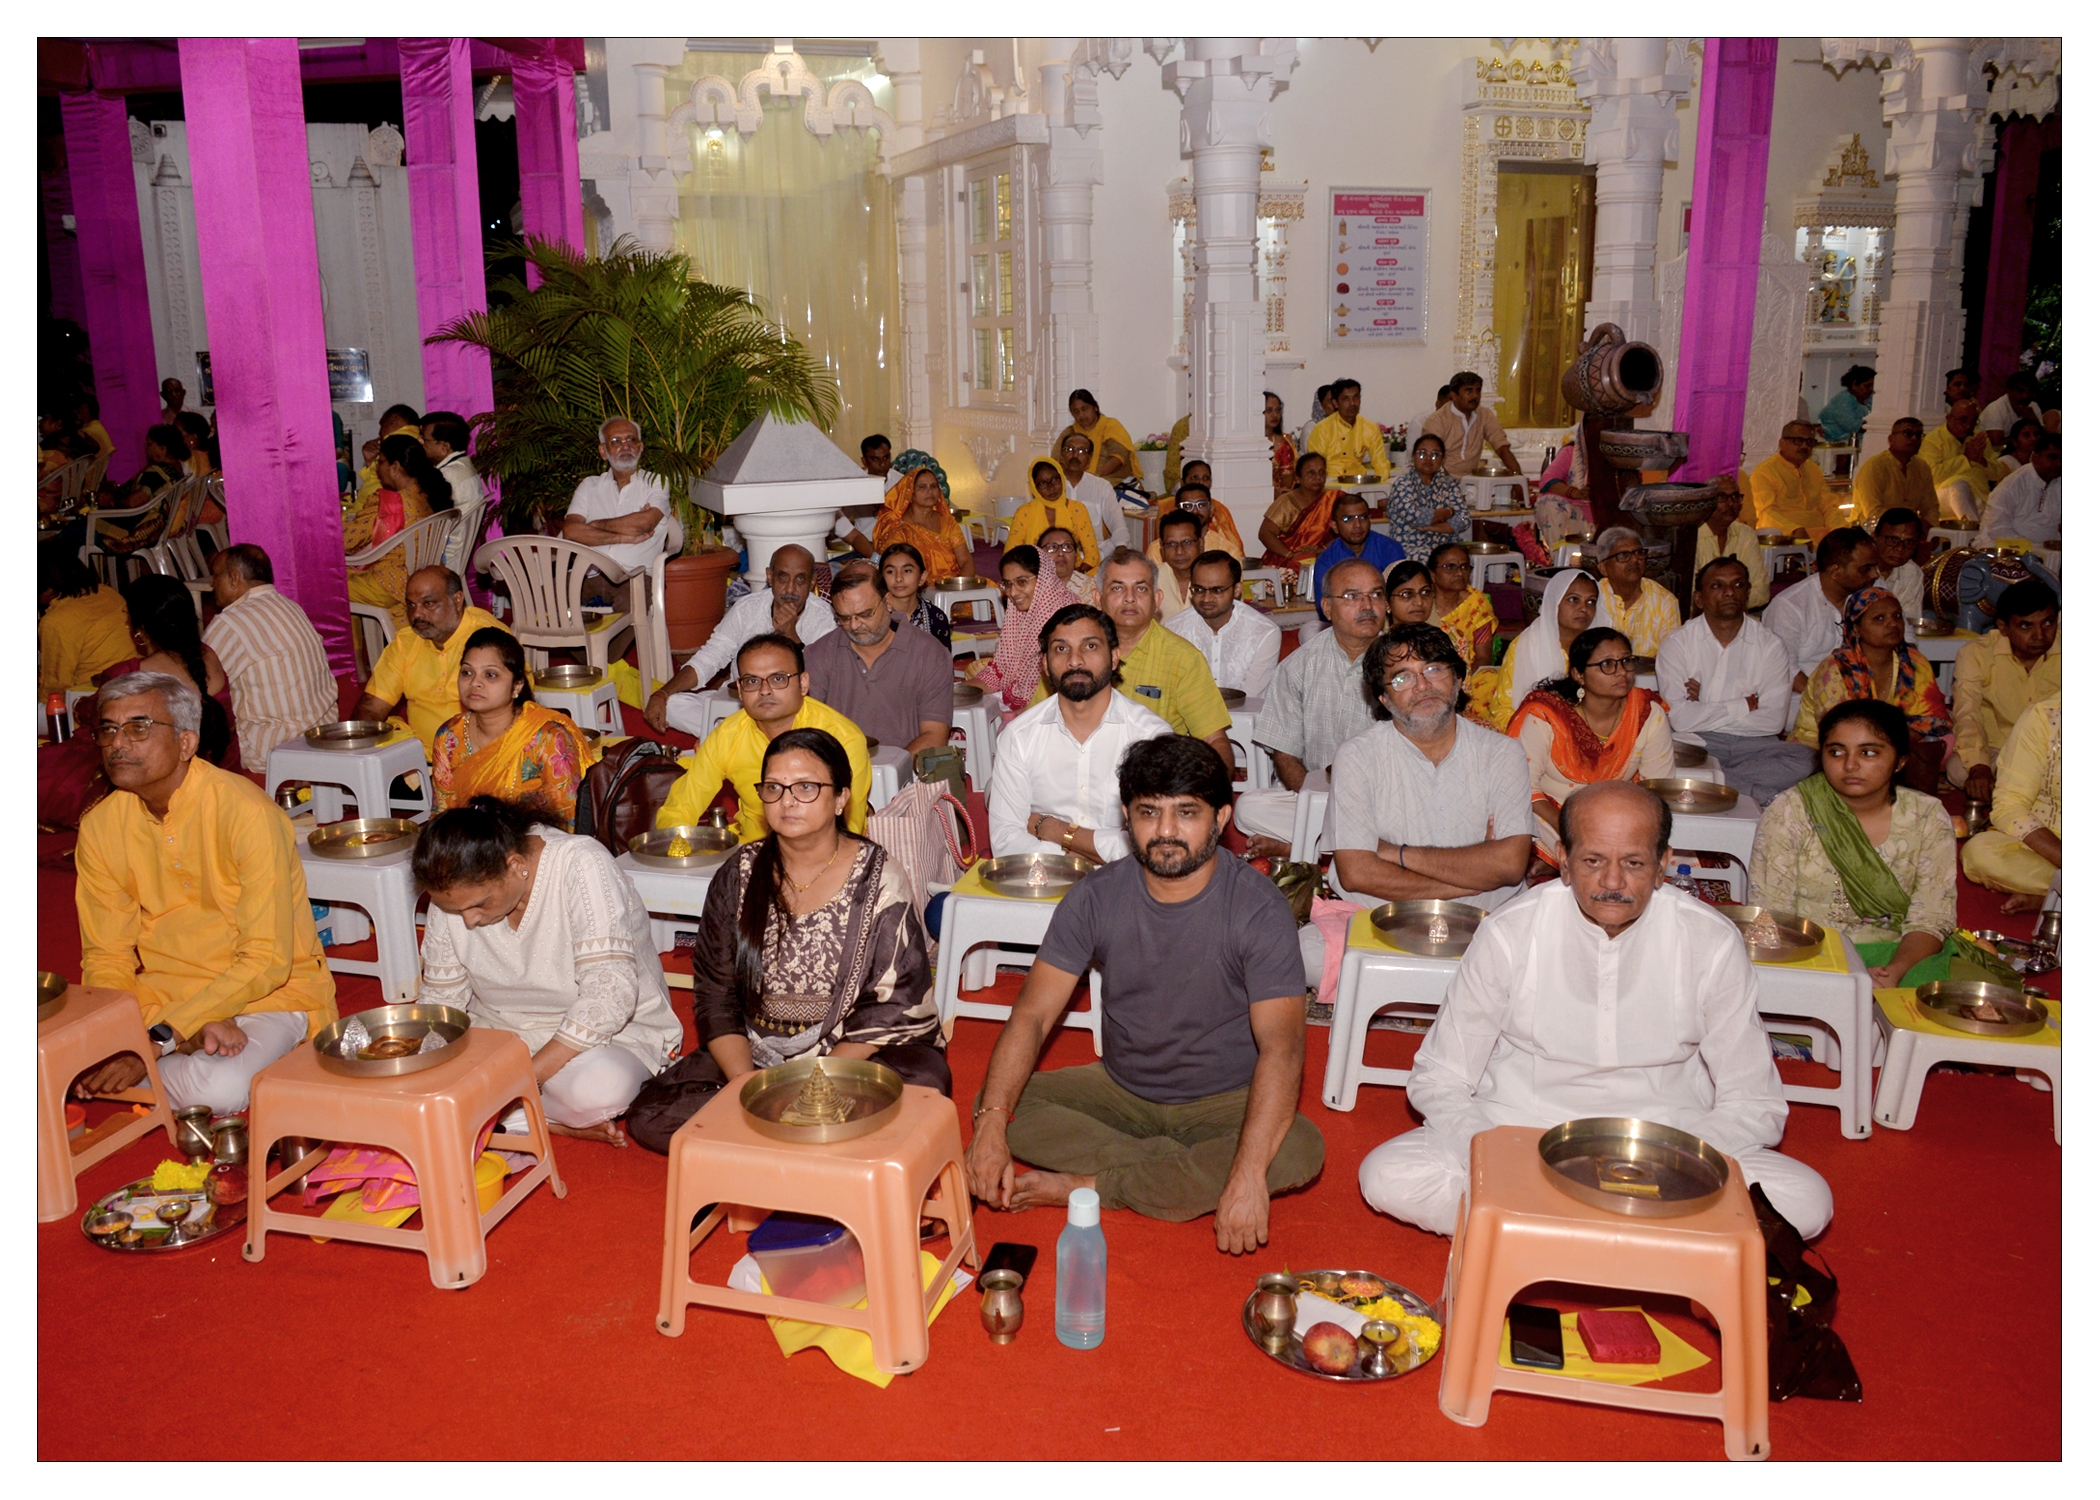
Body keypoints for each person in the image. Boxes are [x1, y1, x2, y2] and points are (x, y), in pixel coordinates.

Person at [1360, 781, 1832, 1240]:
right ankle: (1640, 1242)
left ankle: (1535, 1234)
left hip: (1667, 1137)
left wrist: (1675, 1163)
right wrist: (1500, 1157)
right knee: (1389, 1175)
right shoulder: (1512, 930)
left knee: (1804, 1201)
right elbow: (1440, 1078)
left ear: (1664, 865)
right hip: (1521, 1128)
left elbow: (1753, 1103)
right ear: (1564, 861)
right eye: (1593, 861)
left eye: (1634, 863)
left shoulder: (1709, 939)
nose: (1612, 882)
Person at [965, 735, 1325, 1249]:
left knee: (1300, 1147)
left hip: (1226, 1101)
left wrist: (1248, 1173)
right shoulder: (1096, 896)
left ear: (1221, 818)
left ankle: (1094, 1186)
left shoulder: (1258, 908)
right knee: (997, 1102)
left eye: (1186, 812)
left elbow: (1283, 1048)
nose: (1166, 831)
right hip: (1121, 1091)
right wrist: (990, 1128)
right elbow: (1033, 1016)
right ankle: (1176, 1173)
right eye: (1149, 812)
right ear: (1127, 818)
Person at [625, 728, 949, 1151]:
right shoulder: (739, 874)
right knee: (654, 1115)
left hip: (854, 1054)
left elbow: (893, 1004)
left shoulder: (879, 877)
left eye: (806, 788)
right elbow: (716, 996)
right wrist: (747, 1088)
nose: (788, 801)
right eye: (774, 788)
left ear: (841, 798)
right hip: (759, 1055)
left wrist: (814, 1088)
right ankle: (805, 1150)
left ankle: (766, 1150)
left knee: (920, 1089)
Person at [73, 672, 338, 1113]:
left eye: (138, 728)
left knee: (219, 1088)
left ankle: (164, 1065)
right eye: (109, 730)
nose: (118, 743)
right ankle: (180, 1053)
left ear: (185, 743)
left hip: (267, 996)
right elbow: (106, 955)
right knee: (44, 1051)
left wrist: (158, 1039)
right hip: (164, 996)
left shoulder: (246, 813)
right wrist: (117, 1037)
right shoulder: (101, 827)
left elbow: (266, 960)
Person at [412, 795, 682, 1145]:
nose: (469, 920)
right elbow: (441, 1000)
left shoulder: (582, 864)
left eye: (479, 904)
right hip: (501, 1032)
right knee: (431, 1068)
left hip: (605, 1037)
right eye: (454, 910)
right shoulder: (454, 891)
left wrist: (521, 1080)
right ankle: (544, 1119)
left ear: (515, 865)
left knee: (600, 1089)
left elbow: (608, 998)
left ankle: (506, 1114)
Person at [1750, 700, 1957, 989]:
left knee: (1951, 997)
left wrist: (1893, 971)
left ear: (1900, 761)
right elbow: (1772, 917)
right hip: (1807, 953)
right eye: (1836, 752)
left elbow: (1931, 918)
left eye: (1868, 752)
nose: (1850, 765)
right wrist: (1833, 971)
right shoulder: (1790, 812)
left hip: (1899, 954)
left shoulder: (1927, 816)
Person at [1327, 622, 1533, 910]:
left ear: (1458, 679)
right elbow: (1357, 873)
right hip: (1383, 917)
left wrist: (1395, 853)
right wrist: (1469, 882)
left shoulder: (1502, 753)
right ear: (1384, 699)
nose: (1422, 686)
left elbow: (1510, 865)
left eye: (1433, 669)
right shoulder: (1357, 757)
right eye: (1402, 678)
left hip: (1491, 918)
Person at [988, 604, 1172, 861]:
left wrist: (1053, 829)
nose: (1075, 660)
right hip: (1046, 880)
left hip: (1127, 882)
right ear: (1045, 663)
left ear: (1114, 657)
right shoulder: (1019, 737)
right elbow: (1006, 842)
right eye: (1061, 649)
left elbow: (1156, 843)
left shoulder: (1151, 737)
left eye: (1090, 646)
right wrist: (1086, 858)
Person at [656, 634, 872, 842]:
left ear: (803, 683)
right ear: (740, 690)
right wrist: (678, 850)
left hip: (821, 854)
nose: (765, 691)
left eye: (778, 679)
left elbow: (848, 829)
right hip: (752, 852)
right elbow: (679, 808)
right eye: (752, 681)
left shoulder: (842, 738)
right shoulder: (728, 735)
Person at [1238, 558, 1388, 854]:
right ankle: (1347, 845)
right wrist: (1315, 797)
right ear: (1327, 607)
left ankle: (1306, 844)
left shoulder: (1403, 663)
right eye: (1353, 596)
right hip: (1319, 794)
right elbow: (1285, 755)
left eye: (1376, 594)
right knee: (1248, 808)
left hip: (1383, 799)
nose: (1368, 605)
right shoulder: (1297, 667)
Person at [1035, 548, 1233, 765]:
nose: (1129, 598)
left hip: (1152, 775)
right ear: (1098, 598)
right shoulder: (1072, 655)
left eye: (1141, 588)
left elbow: (1214, 740)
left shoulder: (1183, 658)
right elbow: (1035, 724)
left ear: (1157, 599)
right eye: (1117, 588)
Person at [1654, 557, 1818, 807]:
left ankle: (1709, 782)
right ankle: (1762, 795)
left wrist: (1702, 706)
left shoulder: (1770, 645)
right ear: (1699, 598)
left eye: (1738, 585)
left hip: (1754, 747)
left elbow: (1773, 721)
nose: (1729, 592)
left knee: (1808, 760)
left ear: (1748, 593)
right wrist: (1745, 704)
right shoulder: (1677, 644)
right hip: (1697, 742)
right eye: (1717, 586)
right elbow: (1680, 719)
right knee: (1660, 758)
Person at [1508, 627, 1674, 864]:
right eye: (1607, 664)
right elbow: (1524, 786)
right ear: (1579, 675)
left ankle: (1565, 862)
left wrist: (1616, 825)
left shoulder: (1646, 713)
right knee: (1519, 821)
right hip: (1551, 817)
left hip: (1615, 818)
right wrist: (1569, 830)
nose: (1621, 672)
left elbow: (1657, 788)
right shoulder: (1547, 715)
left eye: (1626, 661)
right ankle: (1561, 858)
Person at [650, 544, 836, 735]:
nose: (790, 588)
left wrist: (791, 636)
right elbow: (710, 657)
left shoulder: (824, 619)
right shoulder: (747, 608)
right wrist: (662, 694)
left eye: (800, 579)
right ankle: (750, 737)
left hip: (790, 710)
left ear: (812, 582)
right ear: (769, 577)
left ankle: (737, 737)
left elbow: (823, 684)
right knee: (672, 704)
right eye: (782, 577)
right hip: (740, 703)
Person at [430, 628, 599, 826]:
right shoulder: (448, 736)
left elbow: (570, 820)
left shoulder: (547, 738)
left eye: (490, 675)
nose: (475, 682)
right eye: (467, 672)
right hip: (469, 840)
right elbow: (442, 813)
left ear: (517, 686)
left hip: (536, 841)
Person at [1792, 587, 1950, 791]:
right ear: (1856, 629)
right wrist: (1887, 746)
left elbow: (1931, 717)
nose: (1892, 624)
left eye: (1897, 616)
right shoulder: (1837, 668)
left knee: (1949, 742)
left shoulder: (1914, 662)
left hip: (1893, 744)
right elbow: (1837, 730)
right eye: (1879, 618)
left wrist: (1889, 746)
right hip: (1825, 747)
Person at [203, 544, 338, 773]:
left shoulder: (230, 622)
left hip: (270, 748)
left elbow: (199, 684)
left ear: (234, 578)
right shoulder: (291, 607)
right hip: (321, 735)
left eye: (216, 576)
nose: (211, 584)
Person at [353, 566, 511, 753]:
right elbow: (371, 708)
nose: (417, 615)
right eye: (411, 605)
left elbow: (508, 718)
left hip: (477, 757)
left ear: (457, 600)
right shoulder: (406, 642)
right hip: (418, 757)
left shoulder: (490, 640)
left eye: (428, 604)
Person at [805, 562, 954, 754]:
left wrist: (893, 769)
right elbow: (808, 732)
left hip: (907, 768)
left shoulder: (930, 654)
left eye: (865, 614)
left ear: (888, 601)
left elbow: (934, 736)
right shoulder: (819, 654)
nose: (854, 626)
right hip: (839, 767)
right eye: (844, 618)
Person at [1949, 577, 2060, 796]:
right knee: (1959, 769)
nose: (2040, 635)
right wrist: (1979, 767)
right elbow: (1967, 713)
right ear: (2003, 628)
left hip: (2053, 751)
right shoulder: (1976, 653)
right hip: (1996, 750)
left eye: (2048, 623)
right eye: (2026, 626)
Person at [1960, 695, 2061, 912]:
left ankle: (2051, 897)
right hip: (2050, 844)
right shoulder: (2046, 716)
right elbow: (2010, 805)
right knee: (1980, 853)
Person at [345, 431, 453, 629]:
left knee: (327, 584)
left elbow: (347, 541)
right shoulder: (427, 495)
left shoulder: (388, 503)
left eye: (381, 462)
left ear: (394, 467)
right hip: (420, 576)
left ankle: (349, 650)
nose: (378, 469)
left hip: (388, 584)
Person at [1474, 569, 1599, 731]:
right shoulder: (1528, 644)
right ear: (1554, 602)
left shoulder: (1600, 647)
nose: (1583, 608)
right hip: (1532, 730)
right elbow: (1504, 708)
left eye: (1591, 602)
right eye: (1573, 599)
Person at [1760, 526, 1880, 692]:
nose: (1875, 574)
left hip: (1857, 695)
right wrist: (1826, 699)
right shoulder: (1789, 607)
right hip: (1803, 699)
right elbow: (1784, 670)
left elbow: (1903, 636)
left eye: (1875, 567)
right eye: (1866, 569)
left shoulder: (1872, 592)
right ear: (1835, 571)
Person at [559, 416, 679, 576]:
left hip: (635, 577)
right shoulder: (589, 486)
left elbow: (643, 524)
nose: (625, 446)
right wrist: (624, 537)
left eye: (631, 439)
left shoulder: (656, 482)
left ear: (641, 447)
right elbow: (570, 532)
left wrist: (594, 524)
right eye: (616, 441)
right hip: (587, 576)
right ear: (603, 451)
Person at [966, 546, 1079, 714]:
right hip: (1018, 700)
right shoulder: (1020, 612)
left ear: (1043, 579)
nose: (1013, 592)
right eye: (1007, 584)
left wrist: (1014, 719)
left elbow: (1058, 693)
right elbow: (1001, 670)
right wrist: (957, 692)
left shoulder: (1067, 619)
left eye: (1021, 582)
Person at [1166, 550, 1282, 698]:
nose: (1207, 598)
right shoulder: (1173, 630)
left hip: (1246, 711)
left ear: (1237, 590)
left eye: (1217, 590)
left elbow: (1251, 699)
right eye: (1199, 590)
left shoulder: (1264, 633)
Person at [38, 550, 132, 701]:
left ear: (48, 588)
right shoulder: (107, 592)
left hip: (94, 697)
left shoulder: (55, 621)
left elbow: (54, 689)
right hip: (133, 681)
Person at [872, 450, 968, 582]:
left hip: (953, 584)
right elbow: (890, 569)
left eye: (933, 486)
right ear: (909, 494)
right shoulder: (898, 527)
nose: (930, 491)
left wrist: (961, 588)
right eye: (922, 487)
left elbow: (966, 561)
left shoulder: (947, 522)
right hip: (913, 586)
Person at [95, 425, 190, 554]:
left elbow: (134, 502)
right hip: (158, 528)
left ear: (163, 449)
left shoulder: (157, 473)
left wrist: (111, 502)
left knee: (81, 527)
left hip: (137, 529)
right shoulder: (177, 470)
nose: (145, 447)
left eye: (149, 444)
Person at [1592, 525, 1681, 657]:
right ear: (1603, 568)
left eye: (1639, 553)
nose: (1635, 560)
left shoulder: (1664, 601)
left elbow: (1672, 657)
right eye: (1623, 555)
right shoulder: (1592, 598)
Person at [1311, 492, 1405, 616]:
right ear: (1335, 526)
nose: (1357, 525)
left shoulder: (1390, 549)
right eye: (1348, 519)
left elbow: (1400, 598)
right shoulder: (1327, 560)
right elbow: (1325, 609)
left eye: (1363, 517)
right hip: (1344, 622)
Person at [1007, 457, 1101, 572]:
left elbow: (1092, 555)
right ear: (1034, 487)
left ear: (1062, 479)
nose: (1051, 487)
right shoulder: (1024, 513)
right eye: (1042, 483)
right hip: (1036, 573)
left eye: (1055, 480)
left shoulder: (1077, 509)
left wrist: (1076, 574)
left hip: (1072, 570)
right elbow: (1011, 555)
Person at [1692, 475, 1771, 609]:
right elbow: (1691, 597)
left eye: (1735, 497)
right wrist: (1734, 600)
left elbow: (1762, 592)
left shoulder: (1745, 534)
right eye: (1722, 497)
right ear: (1706, 502)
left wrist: (1723, 604)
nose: (1730, 504)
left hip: (1739, 616)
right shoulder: (1691, 535)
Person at [1384, 433, 1467, 559]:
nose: (1428, 459)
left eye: (1435, 455)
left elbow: (1464, 519)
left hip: (1444, 547)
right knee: (1428, 558)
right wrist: (1448, 512)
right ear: (1413, 457)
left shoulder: (1450, 484)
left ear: (1443, 460)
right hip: (1409, 547)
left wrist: (1433, 527)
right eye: (1422, 454)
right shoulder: (1403, 484)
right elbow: (1415, 516)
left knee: (1459, 559)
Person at [1420, 371, 1519, 476]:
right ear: (1454, 396)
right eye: (1469, 391)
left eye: (1478, 390)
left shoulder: (1485, 415)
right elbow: (1432, 460)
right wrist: (1450, 484)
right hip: (1442, 479)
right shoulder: (1437, 420)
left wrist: (1517, 475)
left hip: (1472, 480)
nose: (1475, 396)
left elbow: (1502, 447)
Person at [1421, 541, 1498, 672]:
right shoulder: (1421, 602)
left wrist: (1463, 681)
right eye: (1450, 567)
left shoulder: (1476, 602)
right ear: (1432, 575)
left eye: (1464, 567)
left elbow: (1483, 658)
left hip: (1469, 673)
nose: (1460, 573)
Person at [1749, 421, 1836, 536]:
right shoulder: (1764, 472)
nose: (1804, 446)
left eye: (1809, 442)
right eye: (1798, 441)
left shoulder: (1814, 469)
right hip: (1787, 538)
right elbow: (1765, 513)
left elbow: (1828, 506)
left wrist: (1839, 530)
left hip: (1822, 536)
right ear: (1782, 443)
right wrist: (1793, 530)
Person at [1258, 452, 1343, 569]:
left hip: (1326, 555)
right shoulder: (1287, 501)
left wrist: (1323, 549)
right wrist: (1291, 555)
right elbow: (1265, 533)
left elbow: (1347, 530)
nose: (1318, 477)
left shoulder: (1335, 499)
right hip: (1289, 560)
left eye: (1321, 472)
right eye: (1311, 473)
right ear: (1298, 478)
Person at [1852, 417, 1940, 528]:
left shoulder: (1922, 467)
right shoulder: (1874, 467)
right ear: (1891, 439)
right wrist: (1908, 526)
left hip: (1910, 532)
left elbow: (1931, 508)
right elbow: (1873, 513)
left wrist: (1928, 527)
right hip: (1871, 531)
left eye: (1918, 435)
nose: (1914, 438)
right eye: (1908, 433)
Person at [1921, 399, 1995, 526]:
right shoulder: (1933, 440)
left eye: (1973, 421)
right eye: (1963, 420)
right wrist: (1966, 458)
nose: (1968, 426)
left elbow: (1998, 474)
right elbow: (1931, 476)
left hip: (1980, 495)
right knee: (1958, 487)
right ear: (1949, 418)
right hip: (1940, 497)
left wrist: (1982, 461)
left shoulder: (1979, 439)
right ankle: (1973, 532)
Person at [1979, 431, 2061, 544]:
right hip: (2002, 546)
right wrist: (2034, 549)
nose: (2059, 463)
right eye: (2053, 457)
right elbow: (1997, 529)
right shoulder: (2013, 484)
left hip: (2047, 549)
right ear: (2035, 457)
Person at [1304, 377, 1390, 482]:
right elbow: (1315, 466)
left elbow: (1381, 464)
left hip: (1358, 482)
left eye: (1356, 397)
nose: (1352, 403)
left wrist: (1379, 487)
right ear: (1335, 403)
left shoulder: (1370, 427)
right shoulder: (1323, 428)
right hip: (1330, 482)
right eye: (1346, 399)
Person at [1055, 429, 1126, 553]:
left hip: (1095, 552)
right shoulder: (1050, 486)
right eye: (1070, 449)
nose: (1075, 455)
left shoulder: (1101, 486)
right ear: (1061, 456)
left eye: (1081, 451)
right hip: (1058, 552)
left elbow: (1117, 524)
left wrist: (1121, 548)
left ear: (1089, 460)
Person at [878, 541, 953, 647]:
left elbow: (943, 656)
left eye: (907, 571)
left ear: (922, 577)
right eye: (890, 572)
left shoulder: (936, 618)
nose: (898, 578)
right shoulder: (875, 617)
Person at [1055, 389, 1135, 484]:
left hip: (1110, 481)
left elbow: (1119, 456)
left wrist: (1093, 479)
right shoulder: (1070, 432)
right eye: (1076, 411)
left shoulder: (1110, 426)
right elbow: (1056, 459)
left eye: (1084, 409)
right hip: (1075, 482)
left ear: (1095, 407)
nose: (1081, 415)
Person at [419, 410, 486, 524]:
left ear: (444, 447)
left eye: (424, 440)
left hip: (450, 534)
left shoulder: (445, 476)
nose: (419, 442)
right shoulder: (464, 464)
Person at [1531, 437, 1594, 546]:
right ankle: (1559, 554)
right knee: (1549, 503)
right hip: (1575, 515)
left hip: (1602, 519)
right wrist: (1575, 493)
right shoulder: (1572, 452)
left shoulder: (1615, 456)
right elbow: (1547, 480)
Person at [1871, 508, 1927, 623]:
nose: (1900, 548)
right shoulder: (1858, 570)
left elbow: (1909, 623)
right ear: (1875, 537)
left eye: (1909, 542)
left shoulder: (1911, 573)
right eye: (1893, 540)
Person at [1148, 508, 1204, 619]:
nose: (1179, 551)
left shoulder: (1217, 580)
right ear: (1162, 548)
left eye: (1186, 542)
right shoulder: (1151, 581)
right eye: (1171, 544)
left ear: (1201, 544)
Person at [1033, 525, 1097, 606]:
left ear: (1075, 555)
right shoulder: (1030, 587)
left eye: (1067, 547)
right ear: (1039, 555)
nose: (1061, 553)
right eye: (1052, 547)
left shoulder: (1090, 588)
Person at [1980, 370, 2045, 448]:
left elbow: (2044, 439)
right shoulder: (1995, 409)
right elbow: (1996, 445)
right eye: (2020, 391)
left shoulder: (2033, 406)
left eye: (2030, 392)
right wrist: (2022, 434)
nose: (2025, 396)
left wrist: (2034, 421)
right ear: (2008, 390)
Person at [1817, 365, 1876, 444]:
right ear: (1854, 384)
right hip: (1837, 444)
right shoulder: (1843, 399)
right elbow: (1851, 426)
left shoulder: (1869, 400)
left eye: (1873, 386)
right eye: (1867, 386)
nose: (1871, 389)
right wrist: (1874, 425)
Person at [1264, 390, 1296, 495]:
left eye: (1278, 410)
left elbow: (1288, 476)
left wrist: (1276, 493)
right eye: (1269, 410)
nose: (1275, 415)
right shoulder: (1248, 443)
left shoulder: (1283, 443)